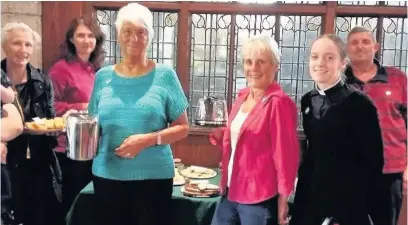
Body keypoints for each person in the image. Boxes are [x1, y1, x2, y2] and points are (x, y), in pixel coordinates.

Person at [87, 3, 189, 225]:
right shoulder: (102, 77)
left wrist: (148, 140)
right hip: (107, 175)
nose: (134, 38)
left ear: (149, 36)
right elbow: (92, 123)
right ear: (118, 35)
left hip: (154, 177)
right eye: (127, 31)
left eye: (141, 32)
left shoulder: (165, 76)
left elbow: (183, 127)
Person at [290, 34, 384, 225]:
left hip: (345, 204)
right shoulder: (308, 100)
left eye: (329, 57)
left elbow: (374, 164)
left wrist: (349, 209)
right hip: (309, 197)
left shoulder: (360, 105)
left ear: (343, 63)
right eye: (315, 56)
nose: (320, 63)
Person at [209, 35, 300, 225]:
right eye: (249, 62)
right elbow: (244, 138)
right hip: (230, 191)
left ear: (275, 65)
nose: (253, 68)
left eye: (261, 62)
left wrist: (284, 199)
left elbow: (285, 155)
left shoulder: (279, 103)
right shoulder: (242, 96)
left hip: (258, 199)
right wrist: (223, 136)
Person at [1, 22, 65, 225]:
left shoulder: (42, 80)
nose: (23, 50)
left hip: (39, 163)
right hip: (6, 165)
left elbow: (51, 121)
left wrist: (55, 128)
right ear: (4, 46)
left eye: (28, 44)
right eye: (16, 43)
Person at [345, 26, 407, 225]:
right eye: (354, 43)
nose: (360, 47)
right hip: (349, 173)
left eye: (365, 42)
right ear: (347, 49)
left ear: (376, 47)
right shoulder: (338, 83)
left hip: (389, 173)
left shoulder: (398, 79)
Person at [48, 16, 105, 215]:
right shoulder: (60, 69)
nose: (86, 40)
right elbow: (49, 106)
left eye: (91, 36)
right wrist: (82, 106)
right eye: (81, 35)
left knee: (88, 205)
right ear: (71, 39)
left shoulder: (96, 70)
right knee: (71, 204)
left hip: (91, 147)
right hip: (67, 149)